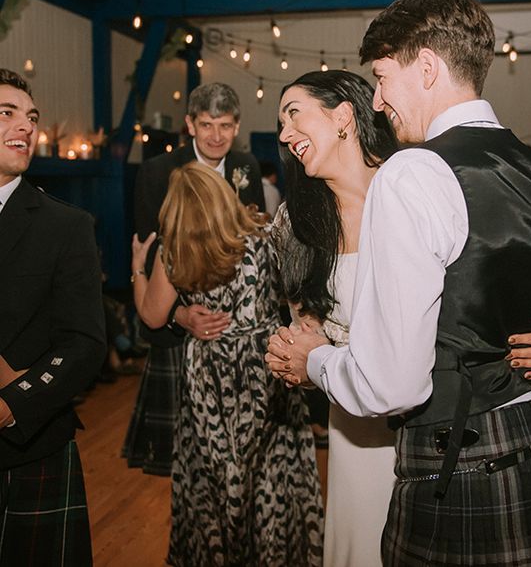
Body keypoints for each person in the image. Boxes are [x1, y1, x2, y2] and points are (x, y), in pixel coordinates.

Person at [268, 0, 531, 565]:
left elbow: (393, 385)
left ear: (427, 68)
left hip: (455, 467)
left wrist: (314, 361)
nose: (378, 101)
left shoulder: (411, 176)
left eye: (382, 78)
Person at [132, 162, 323, 566]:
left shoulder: (175, 249)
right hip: (267, 365)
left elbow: (151, 316)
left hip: (211, 374)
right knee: (271, 471)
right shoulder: (264, 238)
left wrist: (137, 267)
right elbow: (300, 300)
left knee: (217, 473)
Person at [124, 81, 265, 476]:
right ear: (190, 124)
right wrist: (181, 315)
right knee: (183, 458)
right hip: (179, 322)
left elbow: (251, 237)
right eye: (206, 125)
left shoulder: (246, 167)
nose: (216, 136)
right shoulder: (157, 172)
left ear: (236, 126)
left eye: (224, 126)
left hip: (238, 326)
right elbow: (153, 248)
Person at [0, 68, 106, 565]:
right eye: (7, 113)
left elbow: (84, 344)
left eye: (31, 118)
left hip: (26, 446)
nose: (25, 127)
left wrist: (10, 402)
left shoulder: (66, 226)